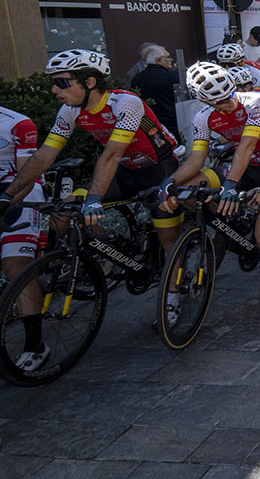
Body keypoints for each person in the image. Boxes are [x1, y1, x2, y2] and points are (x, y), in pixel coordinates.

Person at [0, 50, 183, 281]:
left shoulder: (125, 103)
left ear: (89, 82)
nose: (54, 90)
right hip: (126, 172)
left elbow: (111, 155)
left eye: (61, 83)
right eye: (54, 84)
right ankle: (110, 248)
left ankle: (174, 294)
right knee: (63, 214)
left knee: (168, 240)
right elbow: (44, 155)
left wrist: (94, 199)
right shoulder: (70, 110)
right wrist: (8, 196)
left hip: (160, 169)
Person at [165, 62, 260, 258]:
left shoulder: (255, 100)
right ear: (206, 102)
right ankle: (225, 224)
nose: (227, 102)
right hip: (246, 168)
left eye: (229, 94)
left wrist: (230, 185)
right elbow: (196, 159)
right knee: (186, 191)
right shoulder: (203, 118)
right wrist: (170, 182)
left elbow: (248, 145)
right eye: (219, 101)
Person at [0, 105, 45, 371]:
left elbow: (26, 176)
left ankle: (36, 345)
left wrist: (6, 202)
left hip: (21, 192)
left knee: (15, 266)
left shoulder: (18, 124)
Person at [129, 44, 181, 140]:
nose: (171, 59)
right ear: (159, 60)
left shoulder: (136, 79)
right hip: (174, 124)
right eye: (168, 57)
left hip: (149, 126)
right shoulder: (171, 77)